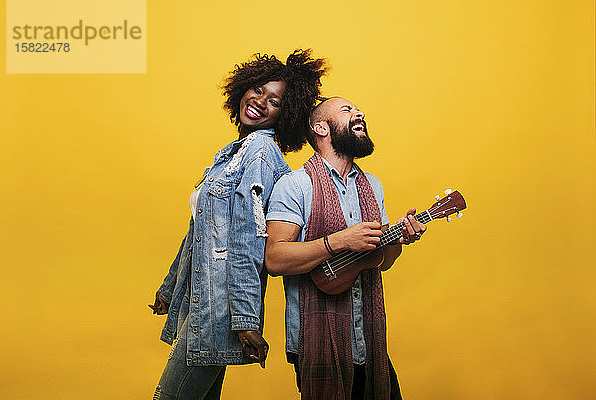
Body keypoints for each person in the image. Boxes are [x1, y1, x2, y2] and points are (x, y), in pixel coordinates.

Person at [148, 50, 327, 400]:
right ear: (242, 89)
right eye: (257, 90)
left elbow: (249, 241)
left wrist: (246, 321)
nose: (260, 102)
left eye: (273, 101)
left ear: (285, 114)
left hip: (219, 310)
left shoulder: (259, 152)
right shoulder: (232, 153)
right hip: (200, 301)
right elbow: (197, 235)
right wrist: (170, 289)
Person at [265, 97, 427, 400]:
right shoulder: (295, 185)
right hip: (316, 342)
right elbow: (275, 258)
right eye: (347, 110)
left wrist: (401, 238)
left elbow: (382, 261)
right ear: (321, 127)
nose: (359, 113)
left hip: (369, 339)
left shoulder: (372, 186)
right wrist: (339, 241)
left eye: (358, 109)